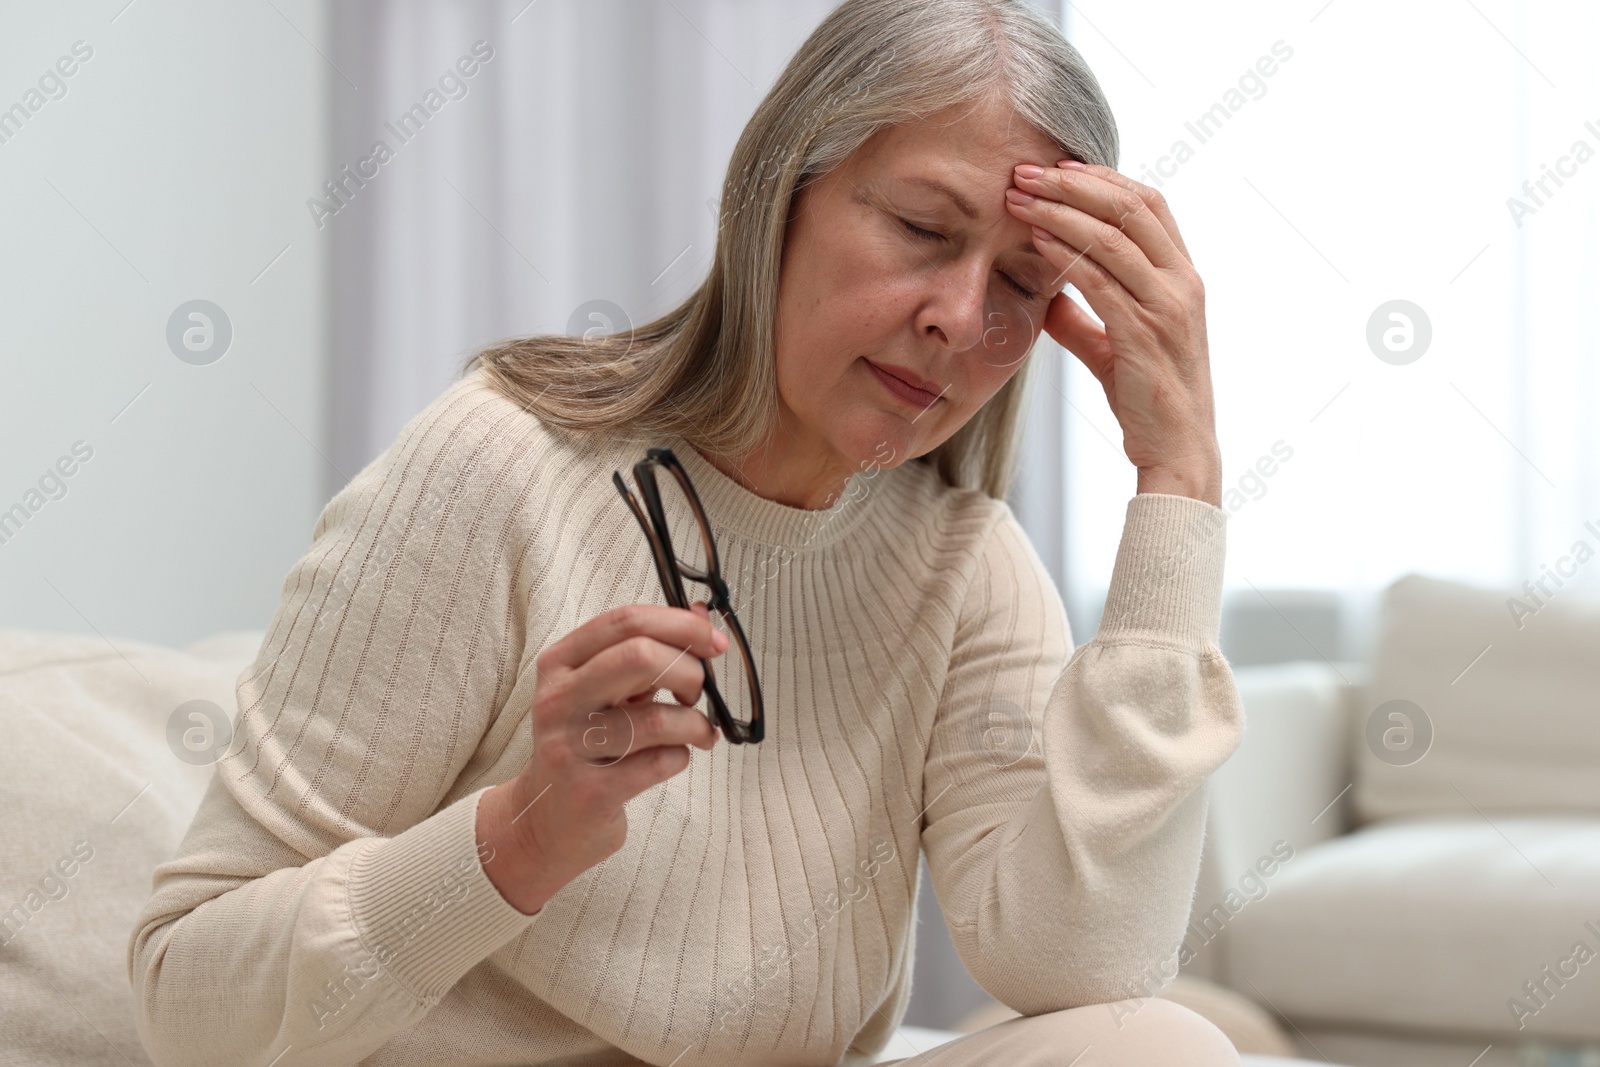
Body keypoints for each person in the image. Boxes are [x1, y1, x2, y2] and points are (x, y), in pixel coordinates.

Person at [128, 0, 1244, 1063]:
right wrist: (515, 837)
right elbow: (186, 1000)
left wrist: (1177, 478)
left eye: (1021, 279)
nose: (960, 316)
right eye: (920, 227)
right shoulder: (500, 464)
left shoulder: (964, 560)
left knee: (1161, 1043)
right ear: (778, 189)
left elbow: (1087, 963)